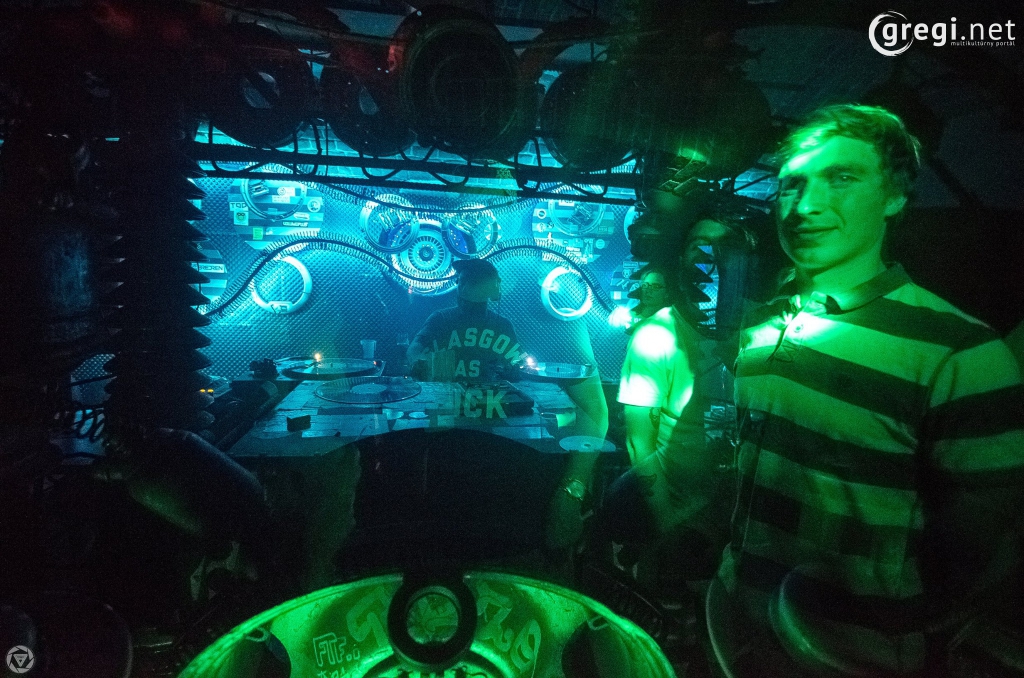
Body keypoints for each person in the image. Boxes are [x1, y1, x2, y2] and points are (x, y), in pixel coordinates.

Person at [707, 104, 1024, 676]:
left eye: (842, 178)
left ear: (895, 197)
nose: (805, 206)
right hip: (741, 625)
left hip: (854, 657)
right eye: (791, 185)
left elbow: (984, 544)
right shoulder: (764, 330)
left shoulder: (960, 352)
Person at [605, 191, 754, 595]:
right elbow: (639, 440)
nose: (709, 256)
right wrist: (666, 521)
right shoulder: (657, 335)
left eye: (724, 247)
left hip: (739, 520)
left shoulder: (757, 330)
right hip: (679, 515)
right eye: (698, 246)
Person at [407, 258, 522, 382]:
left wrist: (513, 368)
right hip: (450, 392)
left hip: (480, 393)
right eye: (462, 281)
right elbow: (415, 348)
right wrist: (417, 362)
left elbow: (519, 361)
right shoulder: (440, 319)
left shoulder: (502, 325)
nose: (464, 287)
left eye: (472, 282)